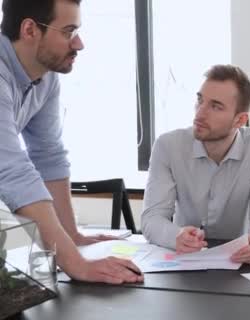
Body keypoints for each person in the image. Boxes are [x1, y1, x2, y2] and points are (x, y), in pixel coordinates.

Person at [0, 0, 143, 283]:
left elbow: (48, 155)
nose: (79, 44)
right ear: (30, 29)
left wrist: (71, 235)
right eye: (68, 32)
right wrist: (76, 264)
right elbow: (13, 173)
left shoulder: (45, 77)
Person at [141, 64, 250, 264]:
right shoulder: (167, 146)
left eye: (215, 106)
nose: (200, 113)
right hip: (183, 263)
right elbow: (152, 218)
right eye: (200, 100)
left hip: (236, 263)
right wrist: (176, 235)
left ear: (240, 120)